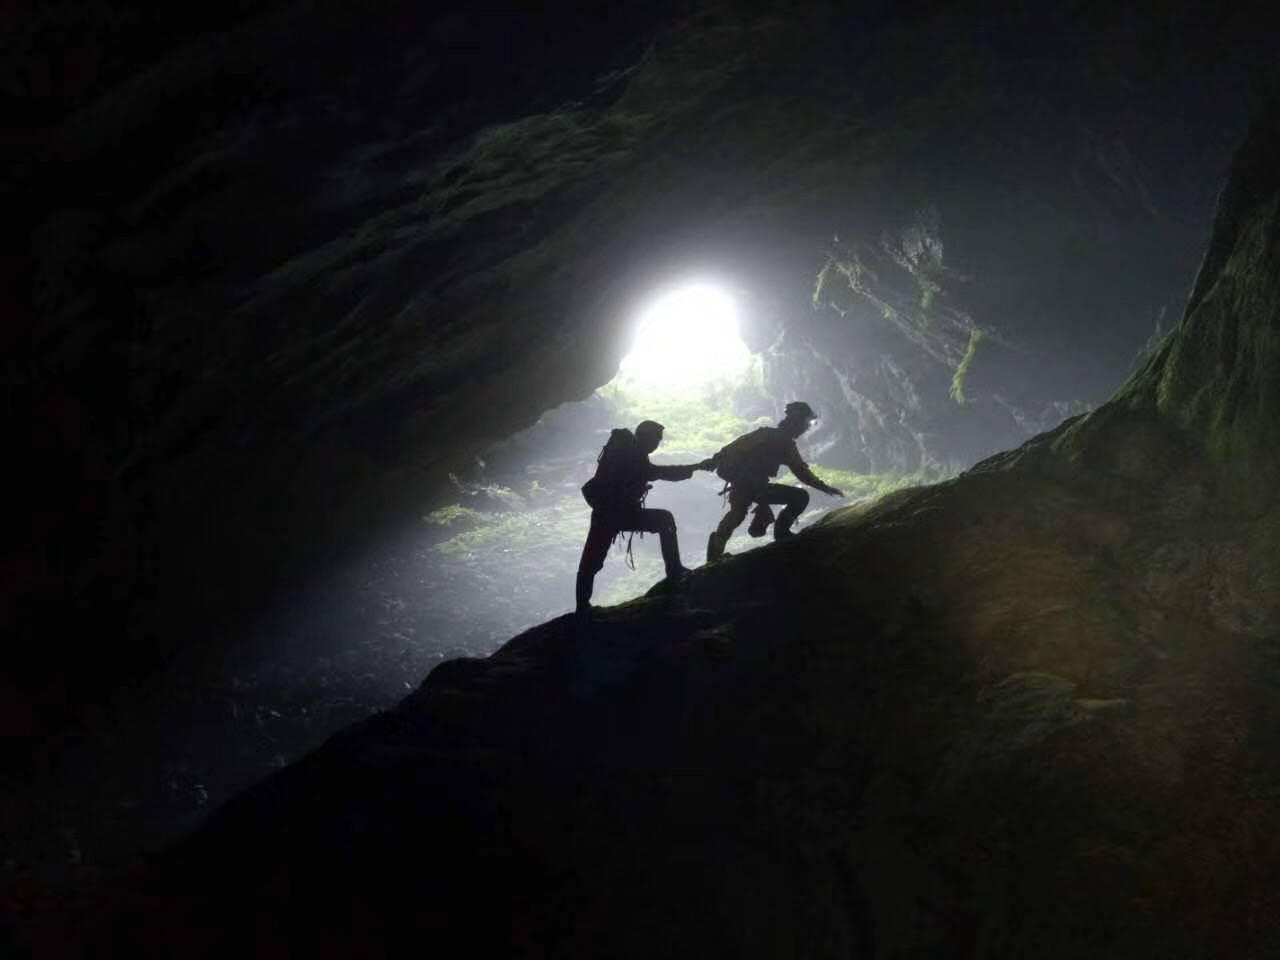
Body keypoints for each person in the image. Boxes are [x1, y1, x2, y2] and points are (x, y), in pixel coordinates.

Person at [576, 420, 710, 614]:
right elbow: (661, 473)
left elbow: (651, 473)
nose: (657, 444)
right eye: (656, 439)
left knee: (591, 560)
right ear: (645, 437)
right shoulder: (633, 455)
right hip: (614, 513)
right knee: (664, 521)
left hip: (608, 513)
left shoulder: (631, 454)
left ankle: (582, 607)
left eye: (659, 440)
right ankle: (674, 572)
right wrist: (696, 466)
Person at [705, 401, 844, 562]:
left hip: (747, 485)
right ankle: (781, 533)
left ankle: (715, 553)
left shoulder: (772, 437)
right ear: (797, 421)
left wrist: (715, 460)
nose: (807, 428)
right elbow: (801, 472)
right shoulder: (779, 440)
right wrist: (824, 487)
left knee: (738, 513)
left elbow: (734, 447)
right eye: (807, 423)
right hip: (749, 485)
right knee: (798, 497)